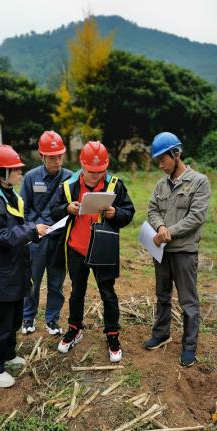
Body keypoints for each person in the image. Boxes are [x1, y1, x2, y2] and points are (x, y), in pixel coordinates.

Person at [51, 141, 135, 362]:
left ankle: (112, 335)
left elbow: (129, 213)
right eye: (91, 171)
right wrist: (66, 209)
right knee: (76, 292)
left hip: (103, 250)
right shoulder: (68, 186)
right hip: (76, 249)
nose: (96, 175)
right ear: (82, 165)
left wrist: (115, 213)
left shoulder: (115, 185)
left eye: (101, 171)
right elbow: (53, 211)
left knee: (108, 294)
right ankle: (74, 329)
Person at [0, 145, 49, 388]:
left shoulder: (10, 196)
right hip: (0, 272)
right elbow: (0, 236)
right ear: (0, 172)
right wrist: (30, 230)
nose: (19, 173)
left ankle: (7, 355)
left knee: (14, 316)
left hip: (15, 268)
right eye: (15, 169)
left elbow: (20, 228)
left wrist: (35, 232)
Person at [144, 132, 210, 367]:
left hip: (184, 251)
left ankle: (189, 346)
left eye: (164, 159)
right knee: (162, 296)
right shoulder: (161, 184)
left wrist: (169, 231)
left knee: (188, 302)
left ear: (176, 153)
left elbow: (196, 217)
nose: (161, 165)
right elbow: (152, 210)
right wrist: (160, 226)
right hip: (162, 252)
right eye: (158, 161)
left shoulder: (199, 181)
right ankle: (161, 333)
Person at [21, 131, 73, 336]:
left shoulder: (70, 177)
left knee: (56, 282)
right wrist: (33, 228)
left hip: (59, 240)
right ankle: (28, 318)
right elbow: (22, 211)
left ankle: (52, 320)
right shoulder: (30, 178)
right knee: (32, 282)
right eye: (52, 157)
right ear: (41, 156)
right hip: (36, 240)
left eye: (60, 155)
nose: (57, 160)